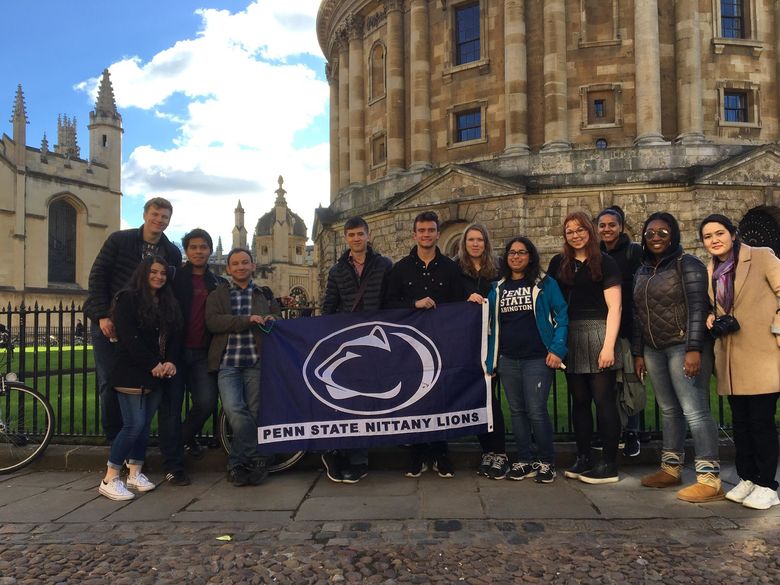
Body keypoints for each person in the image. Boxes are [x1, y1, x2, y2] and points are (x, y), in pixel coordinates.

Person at [633, 212, 722, 502]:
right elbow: (638, 314)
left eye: (662, 232)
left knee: (695, 410)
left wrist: (694, 348)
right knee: (669, 410)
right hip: (654, 348)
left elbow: (699, 307)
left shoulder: (689, 264)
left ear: (673, 235)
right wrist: (639, 353)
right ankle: (671, 469)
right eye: (650, 233)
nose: (656, 237)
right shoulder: (643, 269)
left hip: (683, 345)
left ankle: (709, 478)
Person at [699, 214, 780, 510]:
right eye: (708, 237)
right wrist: (712, 317)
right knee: (741, 423)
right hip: (732, 356)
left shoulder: (761, 257)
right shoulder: (713, 269)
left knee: (761, 422)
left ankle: (768, 484)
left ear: (733, 234)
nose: (714, 240)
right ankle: (748, 476)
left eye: (719, 233)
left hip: (761, 352)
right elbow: (720, 305)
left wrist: (778, 328)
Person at [84, 197, 182, 442]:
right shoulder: (120, 240)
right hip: (111, 324)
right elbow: (98, 277)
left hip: (146, 329)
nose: (159, 220)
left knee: (145, 382)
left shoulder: (170, 252)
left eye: (164, 217)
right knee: (109, 382)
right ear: (145, 215)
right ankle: (115, 439)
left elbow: (170, 290)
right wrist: (102, 316)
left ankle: (136, 442)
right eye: (155, 214)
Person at [384, 210, 465, 478]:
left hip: (441, 345)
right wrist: (413, 304)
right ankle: (417, 454)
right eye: (422, 231)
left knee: (440, 397)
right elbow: (388, 305)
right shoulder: (400, 269)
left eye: (431, 230)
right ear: (414, 234)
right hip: (409, 348)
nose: (426, 235)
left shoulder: (451, 268)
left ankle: (441, 452)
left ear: (438, 234)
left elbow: (458, 306)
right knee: (413, 399)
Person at [97, 256, 182, 501]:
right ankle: (110, 478)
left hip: (158, 373)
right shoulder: (127, 299)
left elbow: (175, 334)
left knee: (144, 425)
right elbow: (129, 337)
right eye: (153, 272)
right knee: (133, 425)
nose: (158, 277)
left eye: (163, 273)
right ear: (143, 273)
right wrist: (152, 363)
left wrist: (170, 362)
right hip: (131, 371)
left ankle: (135, 473)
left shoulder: (168, 302)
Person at [547, 211, 622, 484]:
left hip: (599, 331)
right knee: (579, 402)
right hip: (571, 334)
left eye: (580, 229)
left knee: (603, 401)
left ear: (589, 231)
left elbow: (615, 307)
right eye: (569, 231)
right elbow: (550, 301)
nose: (575, 235)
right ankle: (584, 457)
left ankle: (609, 464)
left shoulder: (605, 261)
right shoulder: (559, 263)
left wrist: (608, 346)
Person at [486, 236, 568, 483]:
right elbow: (487, 321)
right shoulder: (497, 288)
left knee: (536, 411)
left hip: (537, 359)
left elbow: (561, 316)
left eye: (522, 252)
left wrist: (557, 349)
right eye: (512, 252)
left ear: (530, 256)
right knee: (517, 411)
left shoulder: (545, 283)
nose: (516, 257)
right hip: (508, 358)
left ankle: (546, 461)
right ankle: (524, 459)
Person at [320, 216, 392, 484]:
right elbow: (329, 304)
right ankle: (340, 451)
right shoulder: (337, 271)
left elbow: (391, 300)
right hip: (347, 341)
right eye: (351, 235)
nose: (356, 239)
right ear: (346, 238)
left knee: (363, 401)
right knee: (344, 399)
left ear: (368, 235)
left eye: (360, 234)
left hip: (374, 342)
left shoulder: (384, 265)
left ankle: (359, 459)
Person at [206, 248, 281, 487]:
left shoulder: (264, 294)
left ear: (252, 265)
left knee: (253, 411)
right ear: (228, 268)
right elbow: (213, 322)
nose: (240, 267)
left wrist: (271, 320)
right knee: (234, 410)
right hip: (228, 361)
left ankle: (237, 463)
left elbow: (277, 319)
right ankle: (258, 456)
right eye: (235, 263)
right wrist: (246, 320)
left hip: (255, 361)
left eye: (244, 263)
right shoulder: (218, 294)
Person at [168, 228, 227, 484]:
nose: (199, 251)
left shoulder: (217, 283)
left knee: (206, 402)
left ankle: (178, 440)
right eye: (193, 247)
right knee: (170, 407)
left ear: (210, 250)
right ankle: (174, 465)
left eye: (203, 247)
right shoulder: (173, 278)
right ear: (187, 250)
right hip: (175, 352)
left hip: (203, 353)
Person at [455, 224, 507, 479]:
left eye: (480, 240)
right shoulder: (456, 271)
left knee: (493, 398)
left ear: (486, 243)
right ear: (464, 243)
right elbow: (449, 302)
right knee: (479, 397)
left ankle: (499, 452)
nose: (475, 244)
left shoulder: (498, 270)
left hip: (494, 341)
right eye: (471, 240)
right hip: (467, 343)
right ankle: (489, 451)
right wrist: (465, 301)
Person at [597, 206, 644, 457]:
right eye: (602, 225)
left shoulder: (634, 251)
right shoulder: (595, 254)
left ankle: (632, 433)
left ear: (621, 227)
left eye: (611, 225)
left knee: (630, 380)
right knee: (605, 384)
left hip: (627, 324)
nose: (607, 229)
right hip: (601, 326)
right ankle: (609, 431)